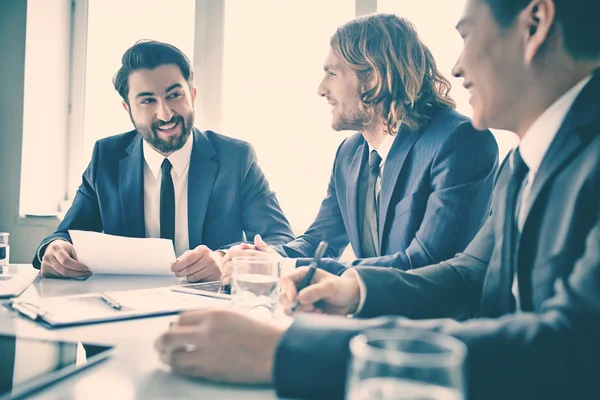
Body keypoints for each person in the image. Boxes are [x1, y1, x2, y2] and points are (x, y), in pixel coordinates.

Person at [156, 1, 600, 399]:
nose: (458, 66)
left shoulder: (465, 140)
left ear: (535, 23)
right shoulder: (522, 161)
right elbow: (469, 275)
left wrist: (286, 351)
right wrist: (351, 287)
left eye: (466, 36)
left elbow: (569, 344)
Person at [221, 14, 498, 282]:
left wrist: (284, 268)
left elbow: (426, 264)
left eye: (331, 74)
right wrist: (258, 258)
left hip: (439, 326)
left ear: (372, 78)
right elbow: (319, 242)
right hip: (370, 320)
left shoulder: (459, 140)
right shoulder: (349, 154)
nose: (321, 89)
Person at [33, 40, 294, 282]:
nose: (165, 113)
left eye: (174, 95)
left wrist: (226, 260)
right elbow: (65, 235)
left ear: (192, 94)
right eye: (147, 100)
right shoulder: (107, 157)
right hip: (125, 312)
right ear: (129, 109)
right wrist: (55, 249)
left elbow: (280, 240)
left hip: (210, 312)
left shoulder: (235, 158)